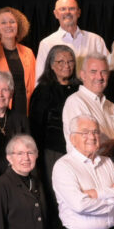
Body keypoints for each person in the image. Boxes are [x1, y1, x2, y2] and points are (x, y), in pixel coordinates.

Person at [29, 44, 81, 177]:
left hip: (79, 149)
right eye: (61, 62)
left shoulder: (80, 88)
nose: (67, 65)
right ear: (51, 65)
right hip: (53, 150)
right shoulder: (43, 90)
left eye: (70, 61)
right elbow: (36, 126)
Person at [62, 54, 114, 155]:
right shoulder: (75, 102)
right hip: (88, 165)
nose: (99, 77)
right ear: (83, 75)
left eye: (103, 72)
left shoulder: (111, 106)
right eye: (93, 72)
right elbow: (89, 146)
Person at [35, 0, 110, 80]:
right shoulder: (46, 43)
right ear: (56, 14)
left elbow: (109, 67)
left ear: (78, 13)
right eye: (63, 9)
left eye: (72, 9)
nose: (67, 12)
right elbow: (40, 78)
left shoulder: (96, 40)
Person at [0, 7, 36, 113]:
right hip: (0, 110)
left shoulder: (28, 52)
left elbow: (35, 82)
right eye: (3, 23)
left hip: (26, 109)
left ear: (18, 26)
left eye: (12, 22)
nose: (8, 25)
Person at [0, 71, 30, 177]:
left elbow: (29, 152)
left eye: (5, 90)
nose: (0, 94)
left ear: (11, 93)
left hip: (16, 176)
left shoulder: (21, 119)